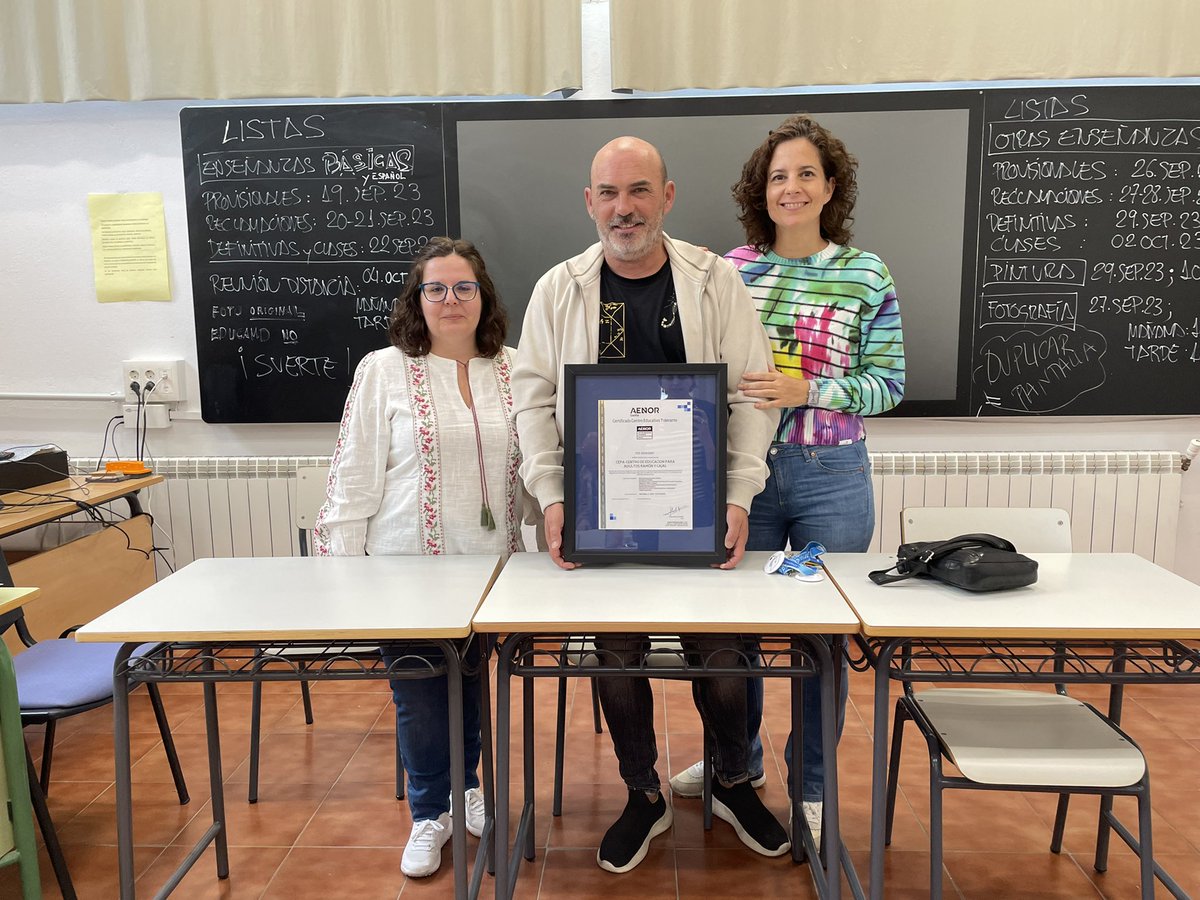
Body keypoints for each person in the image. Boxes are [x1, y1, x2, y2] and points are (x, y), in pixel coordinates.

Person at [512, 136, 786, 874]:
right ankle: (643, 792)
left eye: (639, 190)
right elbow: (532, 402)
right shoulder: (558, 289)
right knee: (617, 648)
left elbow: (752, 394)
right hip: (599, 509)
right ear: (589, 202)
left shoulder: (714, 280)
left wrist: (738, 494)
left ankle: (732, 781)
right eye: (608, 192)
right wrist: (551, 495)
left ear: (667, 196)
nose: (623, 208)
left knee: (722, 649)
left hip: (698, 506)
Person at [671, 115, 905, 843]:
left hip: (832, 479)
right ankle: (735, 762)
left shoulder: (866, 273)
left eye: (807, 174)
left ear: (831, 187)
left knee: (819, 637)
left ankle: (811, 787)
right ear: (761, 191)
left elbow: (889, 384)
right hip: (747, 478)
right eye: (778, 176)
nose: (792, 188)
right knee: (730, 635)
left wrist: (809, 390)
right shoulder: (730, 271)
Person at [313, 237, 524, 878]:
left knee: (469, 682)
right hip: (403, 566)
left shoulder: (516, 369)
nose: (450, 300)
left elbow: (538, 465)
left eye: (463, 287)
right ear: (418, 298)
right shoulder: (383, 370)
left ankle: (467, 791)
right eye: (436, 288)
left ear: (483, 296)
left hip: (490, 566)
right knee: (420, 695)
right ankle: (430, 812)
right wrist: (341, 572)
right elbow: (354, 474)